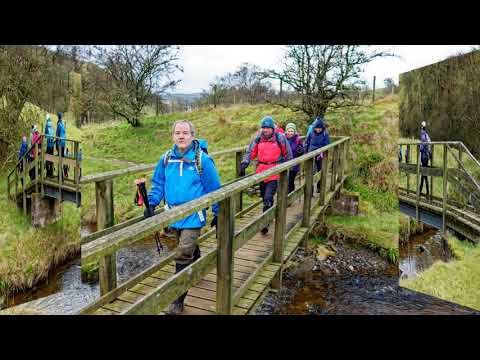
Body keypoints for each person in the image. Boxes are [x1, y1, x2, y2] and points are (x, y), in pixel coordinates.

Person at [144, 120, 221, 315]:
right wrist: (152, 202)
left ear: (192, 135)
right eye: (177, 133)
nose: (181, 136)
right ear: (173, 136)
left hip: (193, 216)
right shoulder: (166, 159)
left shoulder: (202, 160)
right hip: (172, 214)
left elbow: (215, 189)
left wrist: (218, 212)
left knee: (182, 254)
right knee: (186, 249)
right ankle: (197, 258)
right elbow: (158, 183)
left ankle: (177, 300)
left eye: (185, 133)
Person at [240, 116, 292, 235]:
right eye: (263, 128)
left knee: (268, 197)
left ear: (272, 128)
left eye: (267, 128)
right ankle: (268, 214)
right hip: (261, 172)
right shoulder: (258, 138)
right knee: (264, 197)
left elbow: (288, 154)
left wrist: (288, 167)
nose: (265, 130)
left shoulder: (280, 138)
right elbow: (251, 152)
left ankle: (265, 223)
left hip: (275, 171)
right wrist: (245, 162)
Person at [305, 117, 330, 192]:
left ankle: (319, 187)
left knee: (320, 170)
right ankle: (310, 189)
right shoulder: (311, 133)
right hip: (311, 154)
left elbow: (327, 144)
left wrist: (322, 151)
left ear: (322, 128)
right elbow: (307, 142)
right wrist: (306, 152)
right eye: (316, 128)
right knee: (311, 171)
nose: (318, 130)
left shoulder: (325, 134)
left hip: (320, 155)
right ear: (314, 127)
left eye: (320, 128)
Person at [285, 122, 304, 194]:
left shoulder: (297, 139)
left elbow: (302, 149)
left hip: (294, 163)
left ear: (294, 131)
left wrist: (300, 150)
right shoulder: (283, 139)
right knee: (285, 180)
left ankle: (290, 195)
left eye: (291, 131)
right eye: (288, 131)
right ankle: (286, 194)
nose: (290, 133)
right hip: (285, 163)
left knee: (290, 180)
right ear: (286, 131)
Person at [419, 121, 432, 197]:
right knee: (424, 174)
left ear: (422, 128)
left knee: (424, 174)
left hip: (424, 157)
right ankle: (425, 192)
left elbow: (422, 146)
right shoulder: (427, 135)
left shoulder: (423, 135)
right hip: (426, 157)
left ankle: (424, 192)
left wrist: (420, 148)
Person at [55, 112, 68, 178]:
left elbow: (57, 135)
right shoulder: (62, 124)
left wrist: (56, 142)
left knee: (60, 159)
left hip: (60, 143)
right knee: (62, 157)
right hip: (63, 143)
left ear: (58, 117)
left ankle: (60, 176)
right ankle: (65, 172)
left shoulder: (59, 125)